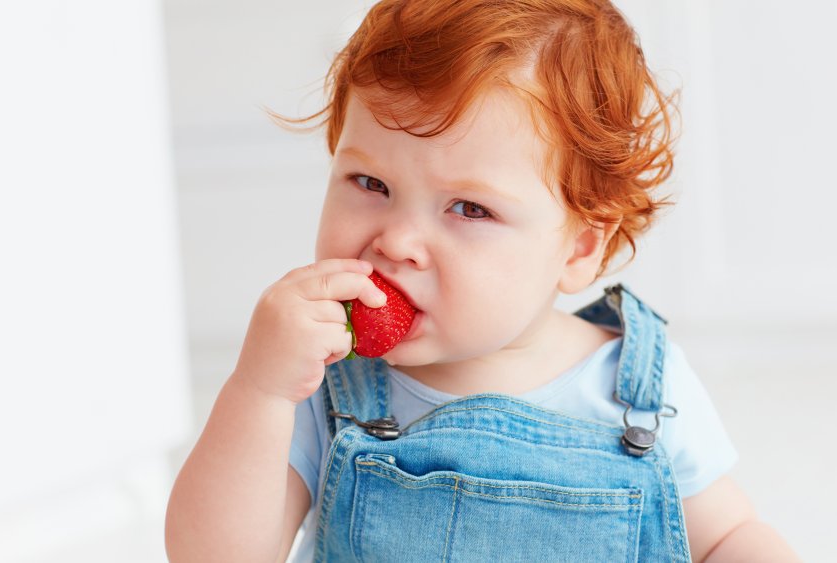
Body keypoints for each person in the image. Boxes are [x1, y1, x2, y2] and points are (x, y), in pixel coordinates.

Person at [166, 1, 800, 561]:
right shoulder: (323, 382)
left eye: (469, 208)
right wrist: (260, 390)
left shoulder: (636, 391)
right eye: (372, 184)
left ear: (578, 248)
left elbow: (726, 537)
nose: (397, 241)